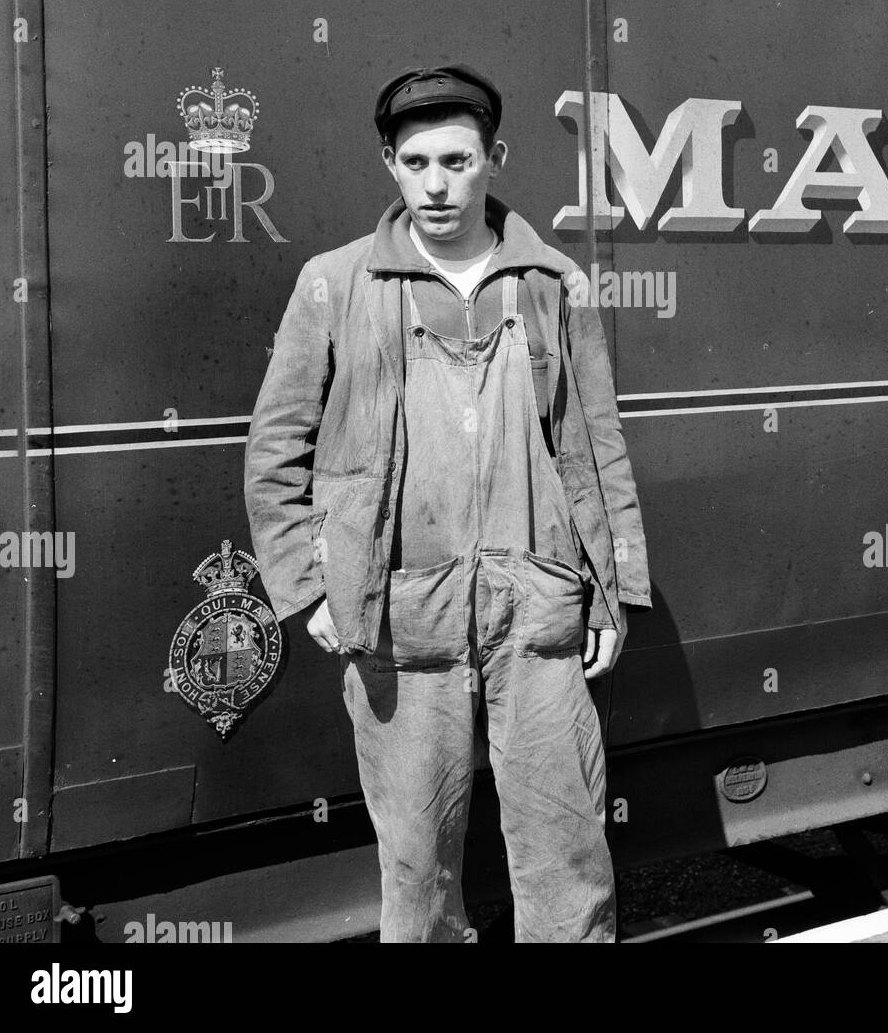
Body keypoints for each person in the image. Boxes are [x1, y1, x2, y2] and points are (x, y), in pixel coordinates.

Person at [243, 63, 651, 942]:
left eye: (458, 161)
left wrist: (614, 589)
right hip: (399, 617)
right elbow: (276, 449)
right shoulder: (336, 284)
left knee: (568, 857)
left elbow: (597, 444)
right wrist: (305, 587)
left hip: (536, 607)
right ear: (390, 163)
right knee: (417, 869)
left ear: (493, 159)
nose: (437, 184)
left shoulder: (550, 283)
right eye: (417, 161)